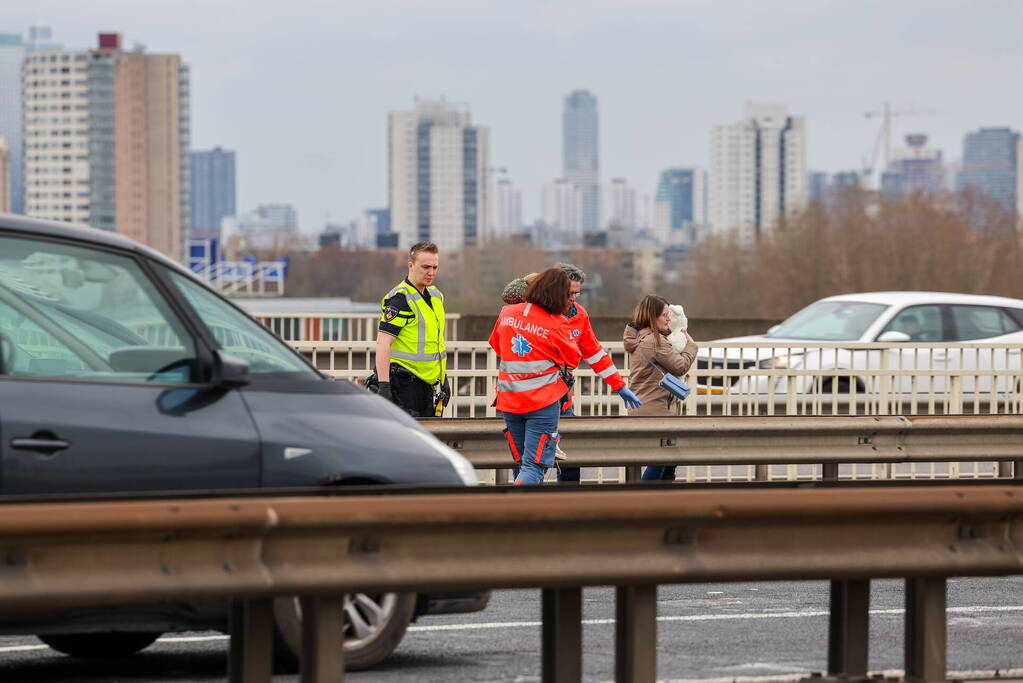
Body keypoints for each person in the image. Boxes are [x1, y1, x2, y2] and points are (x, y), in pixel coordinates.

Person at [502, 263, 641, 484]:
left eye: (577, 293)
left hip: (557, 401)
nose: (573, 298)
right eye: (569, 293)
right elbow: (572, 357)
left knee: (562, 464)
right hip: (542, 400)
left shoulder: (578, 315)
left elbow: (594, 353)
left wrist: (619, 385)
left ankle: (562, 505)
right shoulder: (540, 315)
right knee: (530, 464)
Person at [490, 268, 582, 485]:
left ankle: (522, 514)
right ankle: (513, 511)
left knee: (523, 464)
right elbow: (573, 359)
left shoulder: (507, 313)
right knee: (534, 467)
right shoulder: (556, 322)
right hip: (542, 402)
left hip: (509, 400)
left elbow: (497, 345)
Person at [623, 295, 699, 482]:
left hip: (645, 406)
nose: (669, 319)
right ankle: (646, 498)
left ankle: (660, 499)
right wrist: (691, 345)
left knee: (667, 460)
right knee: (661, 460)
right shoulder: (655, 341)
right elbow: (680, 366)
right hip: (655, 409)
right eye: (665, 315)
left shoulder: (641, 337)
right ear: (652, 316)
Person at [374, 241, 449, 417]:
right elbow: (383, 343)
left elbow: (435, 342)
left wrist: (443, 378)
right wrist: (384, 386)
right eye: (425, 267)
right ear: (410, 265)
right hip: (405, 386)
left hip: (428, 385)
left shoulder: (436, 296)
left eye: (435, 267)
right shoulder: (400, 299)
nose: (431, 273)